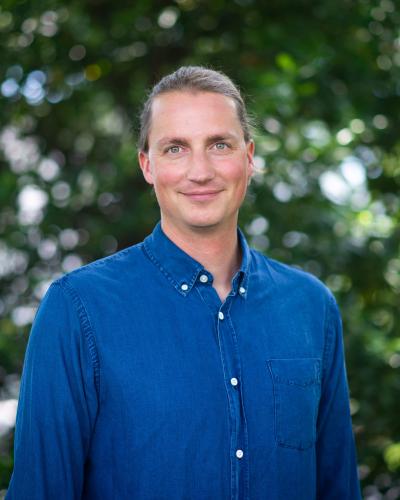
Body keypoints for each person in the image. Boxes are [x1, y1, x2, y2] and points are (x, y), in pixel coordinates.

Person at [6, 66, 361, 499]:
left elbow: (338, 486)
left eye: (219, 145)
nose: (200, 171)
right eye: (175, 148)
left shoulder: (311, 307)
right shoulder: (78, 308)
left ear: (248, 157)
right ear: (147, 165)